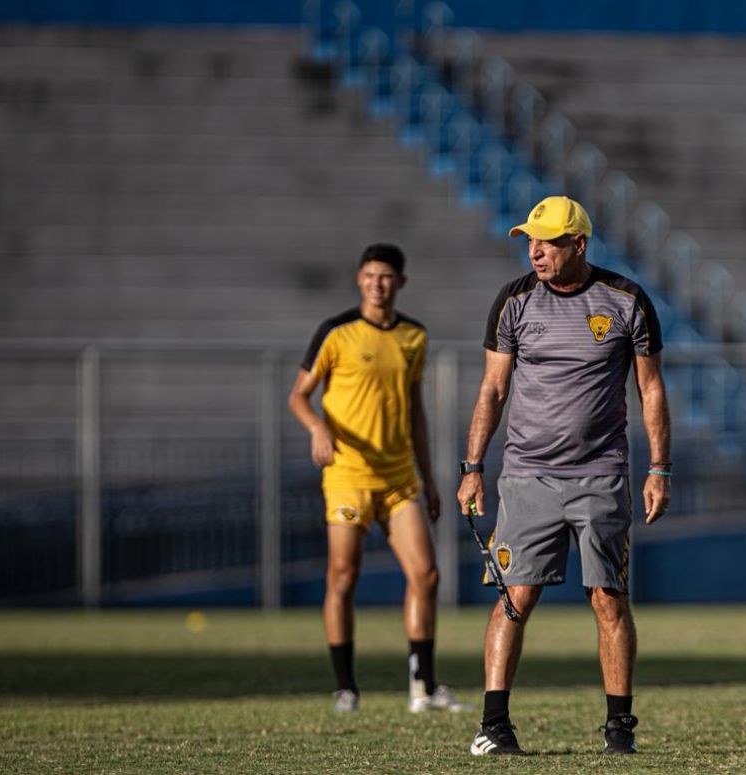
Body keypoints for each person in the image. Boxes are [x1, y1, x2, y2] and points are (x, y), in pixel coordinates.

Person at [456, 196, 672, 756]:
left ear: (579, 244)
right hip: (527, 477)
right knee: (514, 597)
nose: (536, 251)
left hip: (601, 475)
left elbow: (650, 389)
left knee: (609, 599)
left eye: (548, 241)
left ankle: (619, 730)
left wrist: (659, 469)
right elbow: (493, 390)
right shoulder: (513, 301)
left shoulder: (626, 300)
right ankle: (493, 727)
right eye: (531, 240)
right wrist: (472, 467)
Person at [288, 243, 468, 715]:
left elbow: (415, 412)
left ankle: (422, 687)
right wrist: (318, 428)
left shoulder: (413, 336)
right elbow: (299, 396)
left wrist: (429, 478)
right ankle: (346, 687)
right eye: (369, 275)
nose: (377, 284)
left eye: (385, 276)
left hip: (398, 477)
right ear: (359, 279)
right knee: (343, 576)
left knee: (426, 574)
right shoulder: (337, 332)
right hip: (348, 474)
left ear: (400, 282)